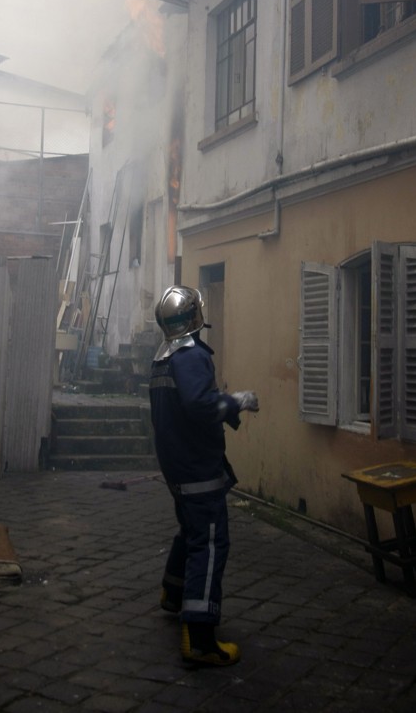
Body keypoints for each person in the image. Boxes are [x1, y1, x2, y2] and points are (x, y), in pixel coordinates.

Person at [149, 284, 259, 666]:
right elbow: (198, 405)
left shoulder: (162, 357)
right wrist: (235, 401)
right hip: (197, 468)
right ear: (195, 316)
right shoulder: (190, 356)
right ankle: (199, 638)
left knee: (191, 532)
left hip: (177, 468)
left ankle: (174, 594)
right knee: (210, 543)